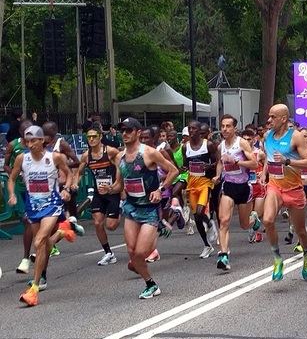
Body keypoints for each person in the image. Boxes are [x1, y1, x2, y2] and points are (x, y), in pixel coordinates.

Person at [8, 125, 75, 306]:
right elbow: (12, 178)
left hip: (52, 205)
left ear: (42, 140)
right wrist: (12, 194)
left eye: (33, 141)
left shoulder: (54, 157)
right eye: (27, 141)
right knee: (43, 245)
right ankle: (61, 233)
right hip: (33, 206)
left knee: (38, 242)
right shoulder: (22, 158)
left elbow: (69, 174)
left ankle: (34, 289)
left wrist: (67, 189)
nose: (30, 145)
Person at [117, 117, 178, 299]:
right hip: (131, 208)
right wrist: (109, 189)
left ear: (137, 132)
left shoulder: (149, 153)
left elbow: (173, 171)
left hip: (149, 209)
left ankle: (158, 227)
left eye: (129, 130)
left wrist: (160, 189)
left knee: (140, 253)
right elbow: (119, 184)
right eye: (123, 131)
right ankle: (150, 284)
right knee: (131, 252)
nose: (125, 134)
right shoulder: (120, 156)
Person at [261, 104, 307, 281]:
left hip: (294, 189)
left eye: (272, 117)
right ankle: (277, 258)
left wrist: (288, 162)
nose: (269, 120)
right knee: (268, 219)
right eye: (269, 117)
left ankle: (306, 256)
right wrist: (264, 173)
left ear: (283, 118)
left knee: (301, 231)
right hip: (275, 186)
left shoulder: (296, 137)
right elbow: (268, 159)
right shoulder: (267, 136)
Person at [213, 114, 260, 271]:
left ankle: (254, 219)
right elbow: (220, 162)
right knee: (224, 221)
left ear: (235, 128)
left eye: (228, 126)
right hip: (228, 186)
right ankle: (223, 255)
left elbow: (254, 164)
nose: (225, 129)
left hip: (243, 187)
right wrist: (217, 175)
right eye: (223, 126)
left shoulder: (242, 143)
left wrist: (237, 161)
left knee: (244, 224)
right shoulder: (221, 146)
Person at [75, 123, 122, 265]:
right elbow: (79, 172)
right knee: (97, 222)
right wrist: (74, 183)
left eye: (94, 136)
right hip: (99, 192)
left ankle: (120, 208)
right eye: (88, 137)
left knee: (111, 226)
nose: (91, 139)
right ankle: (108, 252)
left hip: (113, 192)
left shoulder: (111, 152)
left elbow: (121, 169)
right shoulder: (86, 156)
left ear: (100, 137)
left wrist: (115, 187)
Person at [183, 121, 219, 258]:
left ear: (199, 130)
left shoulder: (208, 145)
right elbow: (187, 164)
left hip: (205, 182)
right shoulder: (185, 147)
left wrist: (208, 167)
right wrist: (185, 168)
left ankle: (210, 224)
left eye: (194, 128)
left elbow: (217, 162)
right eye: (189, 128)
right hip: (192, 182)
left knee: (199, 211)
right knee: (196, 218)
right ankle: (207, 245)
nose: (191, 131)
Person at [5, 119, 34, 274]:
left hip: (42, 193)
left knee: (41, 223)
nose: (30, 139)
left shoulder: (42, 148)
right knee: (27, 219)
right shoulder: (14, 147)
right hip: (22, 188)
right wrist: (15, 176)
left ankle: (50, 242)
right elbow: (6, 166)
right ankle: (26, 258)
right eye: (26, 135)